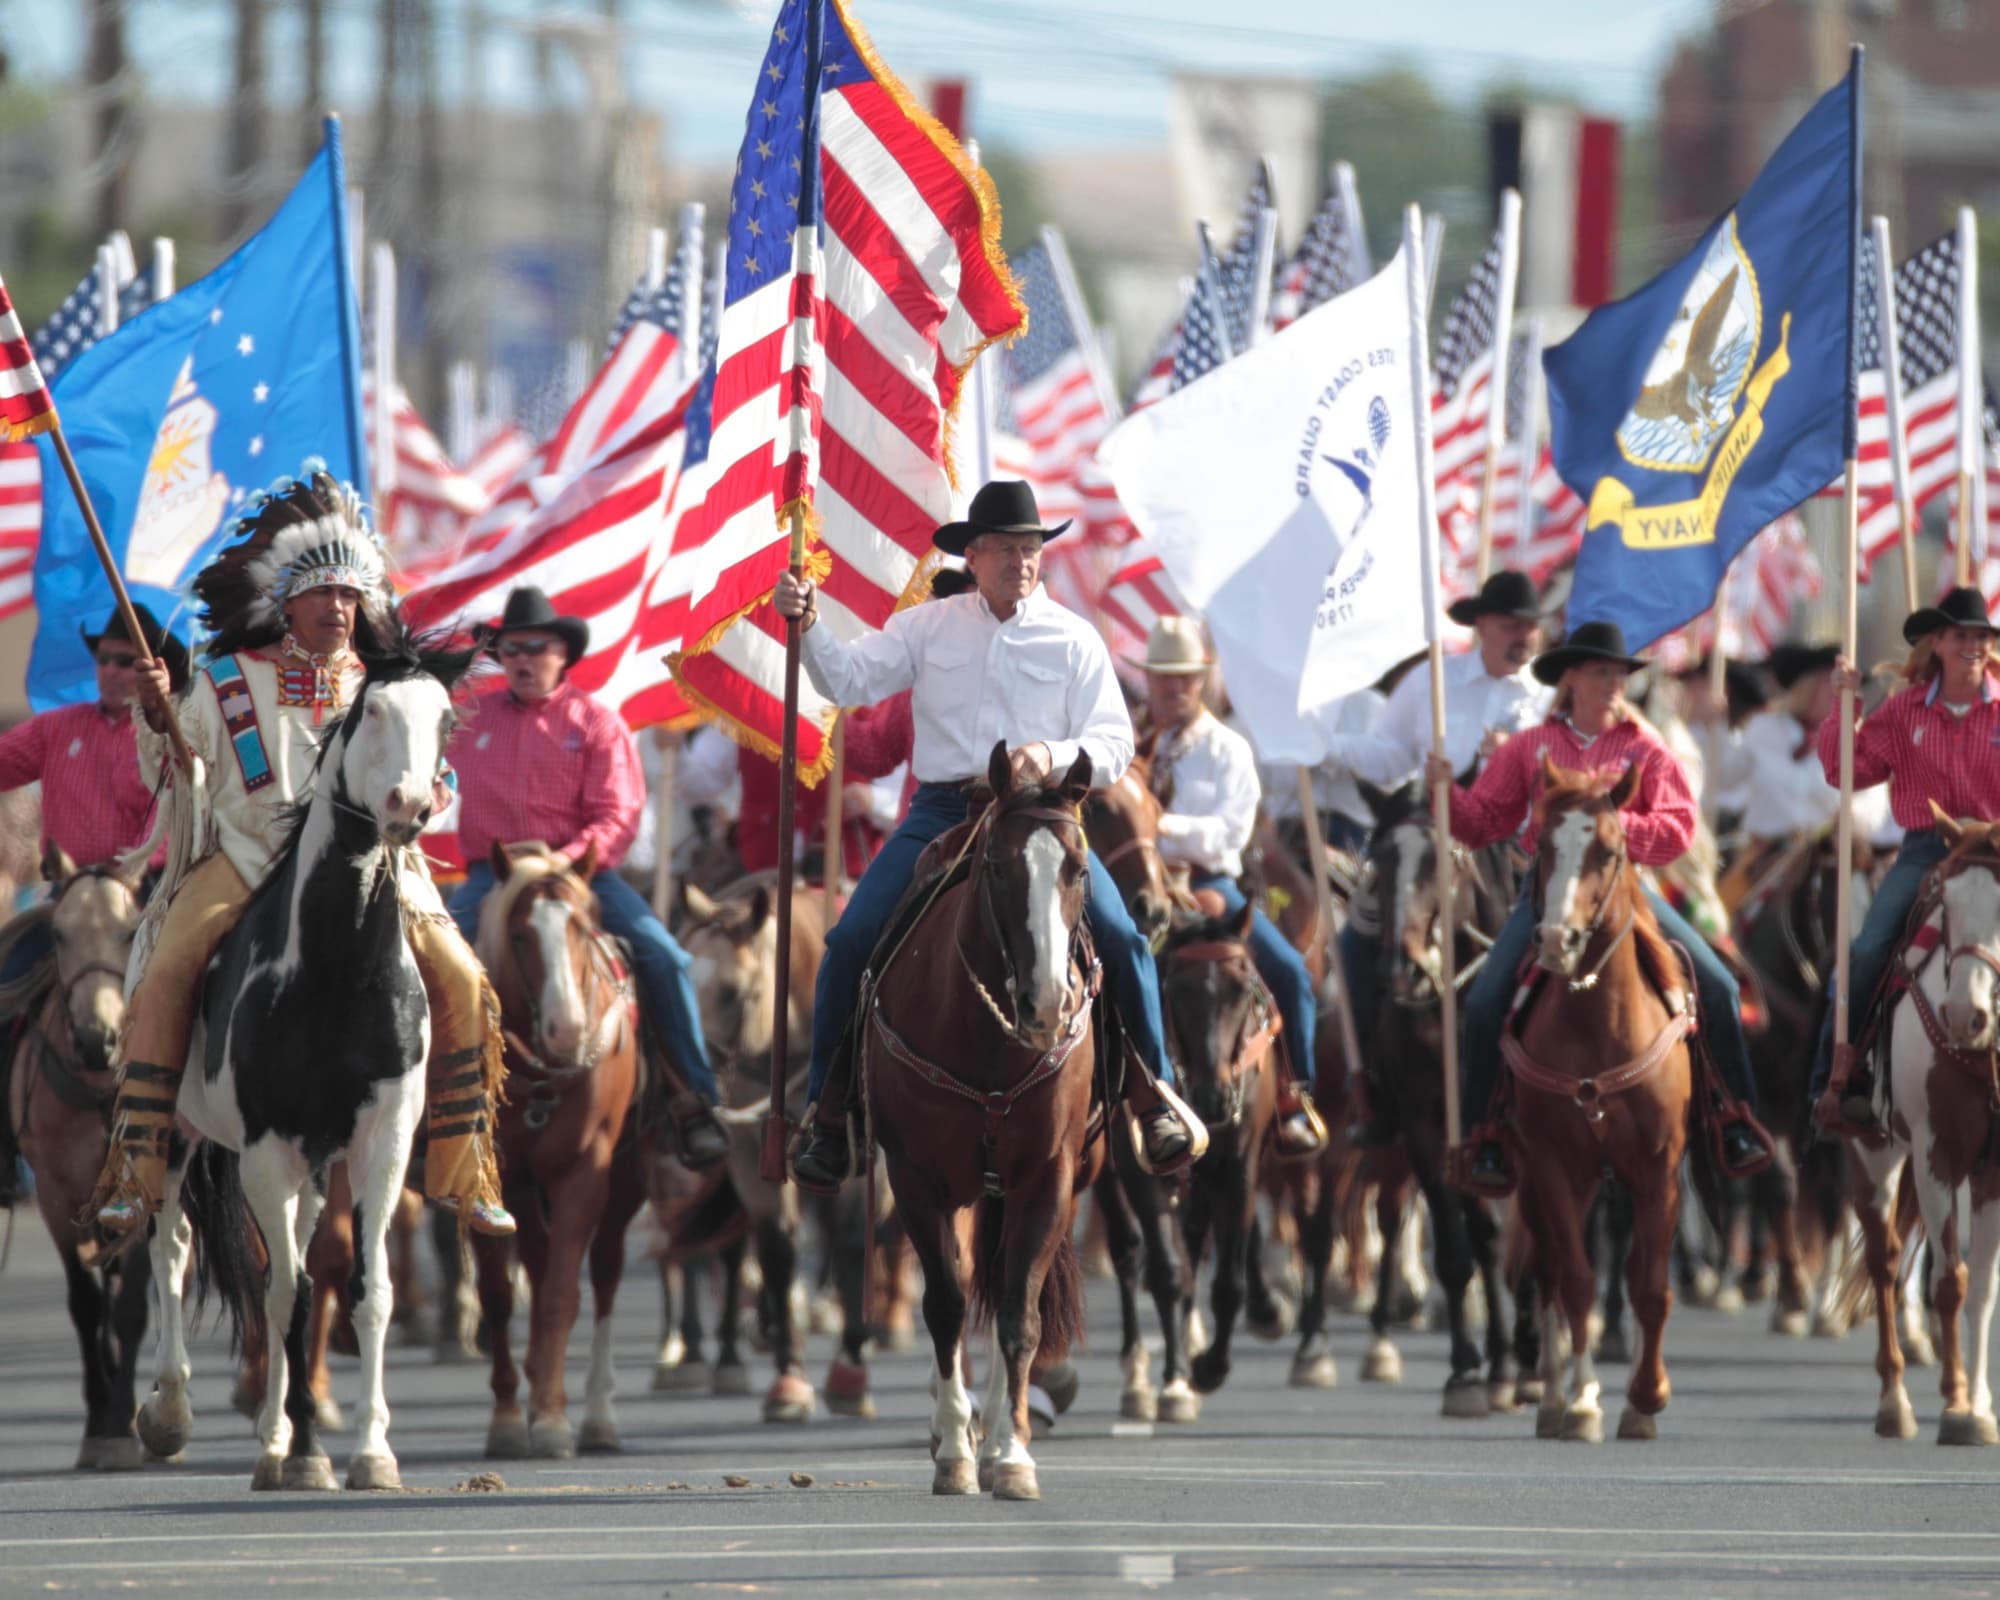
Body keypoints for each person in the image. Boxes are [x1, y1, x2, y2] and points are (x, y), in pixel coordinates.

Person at [87, 469, 515, 1247]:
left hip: (373, 866)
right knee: (163, 968)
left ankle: (466, 1163)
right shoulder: (224, 683)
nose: (339, 609)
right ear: (286, 604)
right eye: (323, 595)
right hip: (244, 859)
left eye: (351, 597)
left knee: (462, 977)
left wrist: (430, 792)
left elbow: (433, 775)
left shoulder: (386, 684)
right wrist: (158, 712)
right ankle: (137, 1170)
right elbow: (176, 768)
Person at [775, 480, 1199, 1190]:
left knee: (1123, 938)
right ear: (972, 556)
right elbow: (847, 681)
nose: (1021, 560)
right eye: (1005, 547)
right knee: (849, 942)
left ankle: (1153, 1095)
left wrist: (1053, 756)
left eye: (1030, 547)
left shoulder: (1073, 637)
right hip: (945, 812)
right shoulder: (927, 626)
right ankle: (828, 1110)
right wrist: (809, 622)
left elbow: (1116, 743)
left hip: (1041, 815)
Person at [1425, 621, 1776, 1191]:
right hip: (1544, 898)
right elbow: (1485, 820)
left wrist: (1610, 827)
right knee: (1486, 999)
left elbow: (1680, 828)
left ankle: (1733, 1117)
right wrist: (1447, 793)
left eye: (1619, 673)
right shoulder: (1529, 747)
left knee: (1718, 985)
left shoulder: (1645, 746)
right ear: (1571, 679)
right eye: (1602, 672)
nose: (1615, 683)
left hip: (1626, 894)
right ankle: (1484, 1132)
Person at [446, 586, 727, 1168]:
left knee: (662, 955)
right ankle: (428, 1105)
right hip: (492, 879)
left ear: (561, 654)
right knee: (429, 962)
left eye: (536, 647)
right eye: (510, 649)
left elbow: (617, 815)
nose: (522, 659)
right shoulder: (468, 721)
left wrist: (564, 863)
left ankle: (692, 1098)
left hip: (579, 876)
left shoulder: (596, 722)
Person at [1329, 570, 1550, 1141]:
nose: (1522, 636)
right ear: (1481, 627)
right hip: (1432, 836)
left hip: (1519, 848)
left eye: (1529, 626)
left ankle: (1553, 1076)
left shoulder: (1549, 700)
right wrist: (1323, 744)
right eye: (1510, 625)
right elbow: (1386, 756)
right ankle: (1370, 1081)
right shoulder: (1433, 681)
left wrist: (1518, 764)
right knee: (1358, 934)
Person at [0, 603, 187, 1206]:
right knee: (4, 988)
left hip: (152, 896)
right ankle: (6, 1149)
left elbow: (203, 788)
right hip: (70, 901)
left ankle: (214, 1138)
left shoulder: (177, 733)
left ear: (153, 670)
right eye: (104, 658)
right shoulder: (58, 728)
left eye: (126, 660)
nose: (111, 669)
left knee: (218, 985)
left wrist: (168, 717)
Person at [1809, 588, 2000, 1136]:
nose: (1972, 645)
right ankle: (1838, 1080)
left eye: (1980, 636)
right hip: (1926, 849)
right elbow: (1847, 771)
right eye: (1960, 635)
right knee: (1868, 949)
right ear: (1936, 643)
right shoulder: (1903, 710)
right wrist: (1844, 709)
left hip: (1995, 851)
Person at [1139, 616, 1326, 1156]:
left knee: (1290, 973)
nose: (1175, 688)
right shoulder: (1129, 747)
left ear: (1203, 681)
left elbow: (1227, 838)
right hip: (1145, 888)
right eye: (1165, 677)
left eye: (1187, 678)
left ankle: (1294, 1095)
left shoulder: (1227, 749)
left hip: (1212, 884)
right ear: (1149, 680)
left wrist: (1159, 827)